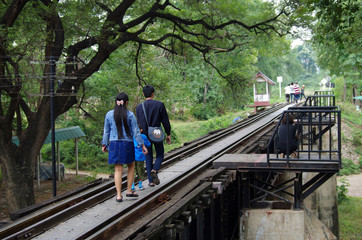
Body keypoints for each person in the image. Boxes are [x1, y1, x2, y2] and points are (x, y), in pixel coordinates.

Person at [102, 92, 148, 202]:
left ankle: (118, 195)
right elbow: (136, 131)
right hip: (127, 144)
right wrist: (141, 145)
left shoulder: (109, 114)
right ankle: (128, 190)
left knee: (118, 170)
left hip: (114, 144)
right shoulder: (130, 115)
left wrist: (104, 144)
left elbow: (106, 131)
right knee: (131, 166)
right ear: (126, 103)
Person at [136, 85, 171, 187]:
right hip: (157, 133)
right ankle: (154, 170)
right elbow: (165, 121)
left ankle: (150, 181)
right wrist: (168, 133)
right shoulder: (159, 105)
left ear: (143, 94)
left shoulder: (139, 107)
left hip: (144, 134)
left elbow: (138, 123)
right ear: (153, 94)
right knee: (160, 154)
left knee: (148, 156)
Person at [132, 124, 151, 191]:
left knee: (132, 171)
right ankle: (140, 185)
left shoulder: (132, 137)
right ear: (141, 130)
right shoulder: (143, 136)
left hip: (133, 157)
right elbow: (148, 144)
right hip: (140, 157)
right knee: (141, 171)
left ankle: (132, 186)